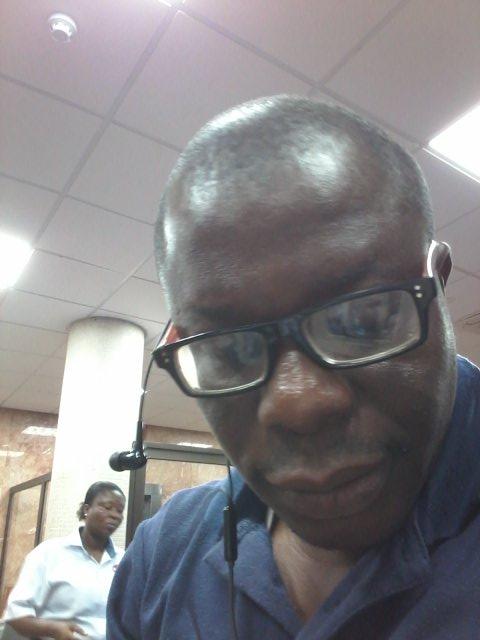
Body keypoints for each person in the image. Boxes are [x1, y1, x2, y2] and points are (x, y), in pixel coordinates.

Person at [107, 96, 480, 639]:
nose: (297, 404)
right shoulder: (161, 559)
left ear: (438, 286)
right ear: (182, 345)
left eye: (362, 319)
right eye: (230, 350)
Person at [3, 481, 125, 640]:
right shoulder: (49, 553)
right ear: (86, 509)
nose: (115, 515)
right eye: (107, 507)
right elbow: (15, 615)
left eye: (119, 511)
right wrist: (53, 629)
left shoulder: (124, 559)